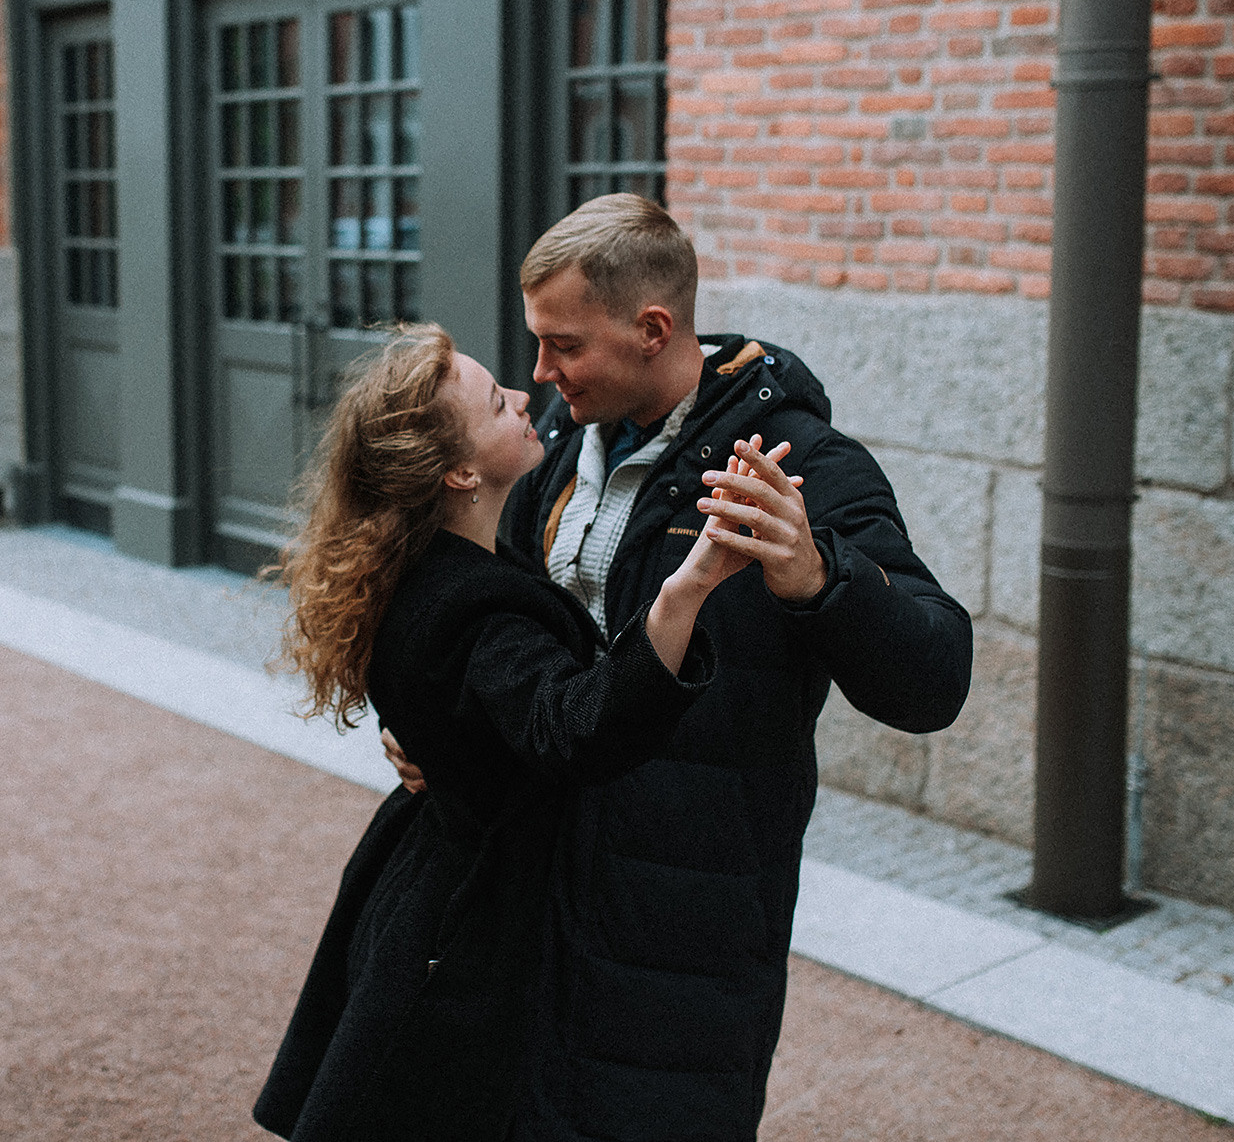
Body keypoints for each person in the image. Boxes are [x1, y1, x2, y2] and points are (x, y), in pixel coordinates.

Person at [382, 193, 974, 1140]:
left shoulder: (806, 466)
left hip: (685, 939)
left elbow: (937, 678)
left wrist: (821, 576)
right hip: (528, 907)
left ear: (652, 329)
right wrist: (434, 725)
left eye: (564, 344)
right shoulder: (546, 466)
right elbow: (499, 651)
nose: (540, 372)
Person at [253, 323, 779, 1142]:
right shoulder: (474, 606)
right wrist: (690, 588)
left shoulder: (420, 567)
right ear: (461, 471)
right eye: (497, 401)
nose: (524, 394)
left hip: (426, 881)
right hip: (474, 924)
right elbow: (572, 727)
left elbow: (473, 706)